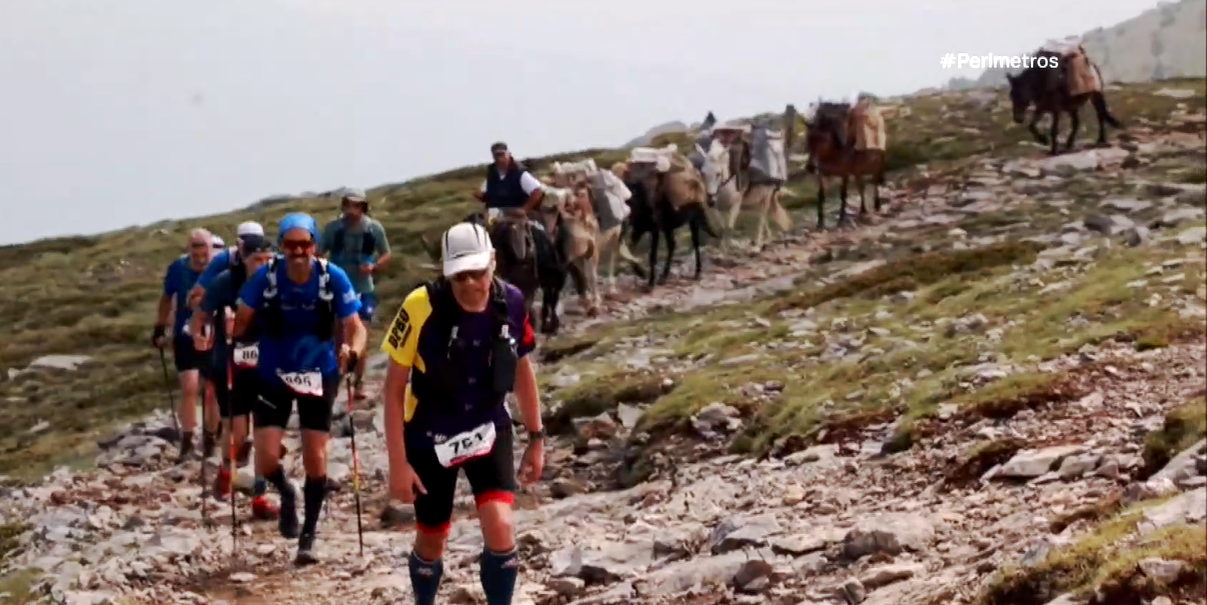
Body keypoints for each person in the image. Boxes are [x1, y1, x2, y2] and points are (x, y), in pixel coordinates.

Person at [381, 222, 545, 605]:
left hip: (488, 424)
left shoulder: (513, 302)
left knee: (501, 525)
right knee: (432, 537)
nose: (471, 284)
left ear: (493, 263)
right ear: (446, 274)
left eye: (479, 273)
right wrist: (398, 463)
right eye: (460, 277)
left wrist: (536, 437)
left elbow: (522, 368)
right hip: (429, 433)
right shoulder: (420, 306)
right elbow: (392, 391)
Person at [234, 213, 367, 565]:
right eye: (290, 245)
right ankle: (286, 492)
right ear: (281, 246)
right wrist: (236, 333)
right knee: (264, 460)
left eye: (304, 244)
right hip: (273, 372)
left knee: (315, 458)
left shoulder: (331, 277)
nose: (298, 251)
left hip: (317, 371)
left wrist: (352, 350)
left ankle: (308, 537)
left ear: (314, 245)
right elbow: (242, 316)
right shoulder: (268, 277)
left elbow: (356, 326)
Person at [190, 234, 280, 520]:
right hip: (229, 364)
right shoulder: (227, 281)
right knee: (238, 437)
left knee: (267, 436)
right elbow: (199, 315)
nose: (264, 265)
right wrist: (198, 337)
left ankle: (260, 497)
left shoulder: (280, 281)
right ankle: (227, 471)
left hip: (267, 364)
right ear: (245, 258)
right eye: (258, 260)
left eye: (269, 260)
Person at [153, 229, 222, 462]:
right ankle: (187, 440)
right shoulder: (177, 269)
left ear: (210, 250)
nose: (200, 257)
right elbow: (166, 297)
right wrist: (160, 327)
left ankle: (211, 439)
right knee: (190, 387)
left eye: (204, 251)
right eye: (195, 250)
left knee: (212, 390)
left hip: (214, 335)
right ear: (189, 249)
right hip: (184, 335)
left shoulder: (220, 269)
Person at [319, 188, 391, 401]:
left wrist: (374, 266)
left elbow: (386, 253)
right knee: (338, 336)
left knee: (362, 334)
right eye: (348, 205)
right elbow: (320, 252)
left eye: (357, 205)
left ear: (363, 207)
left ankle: (359, 382)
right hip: (337, 287)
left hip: (363, 287)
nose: (352, 210)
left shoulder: (373, 229)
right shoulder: (333, 229)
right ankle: (336, 380)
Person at [472, 142, 545, 221]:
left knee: (510, 231)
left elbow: (537, 191)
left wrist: (524, 209)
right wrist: (481, 196)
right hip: (495, 213)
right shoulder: (492, 173)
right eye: (496, 155)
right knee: (476, 225)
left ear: (508, 154)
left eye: (502, 154)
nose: (499, 159)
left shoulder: (519, 173)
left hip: (514, 212)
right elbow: (484, 192)